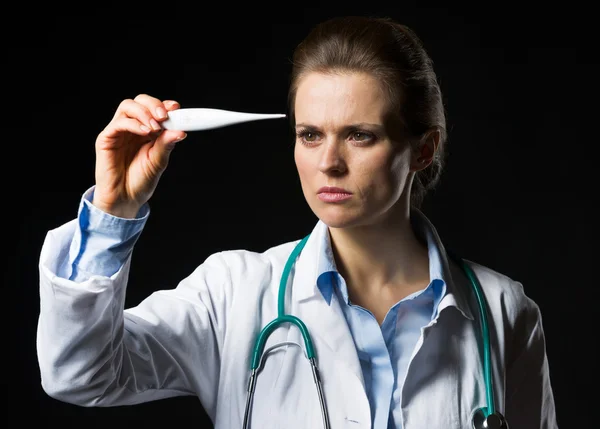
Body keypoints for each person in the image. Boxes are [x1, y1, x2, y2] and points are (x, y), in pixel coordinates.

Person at [36, 15, 558, 429]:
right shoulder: (233, 294)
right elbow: (81, 375)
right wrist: (113, 211)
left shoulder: (503, 312)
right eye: (310, 134)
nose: (328, 162)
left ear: (423, 149)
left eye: (360, 135)